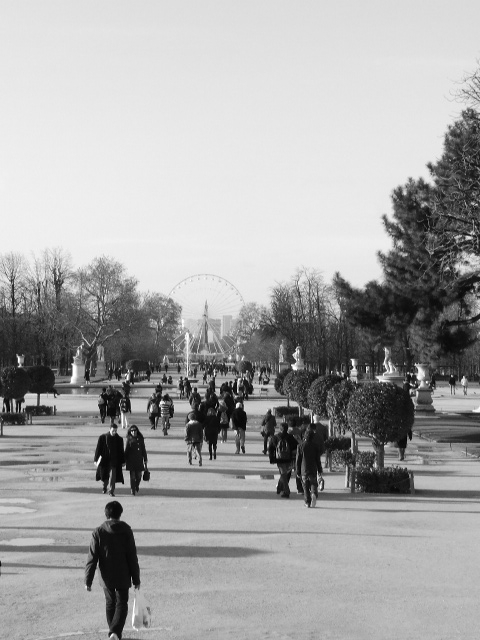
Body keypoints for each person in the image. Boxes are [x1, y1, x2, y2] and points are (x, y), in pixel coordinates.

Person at [85, 501, 140, 640]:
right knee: (122, 603)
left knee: (110, 603)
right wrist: (136, 579)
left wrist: (88, 580)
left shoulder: (98, 532)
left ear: (106, 514)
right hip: (123, 573)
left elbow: (92, 557)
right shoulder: (126, 530)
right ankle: (115, 632)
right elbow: (132, 556)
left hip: (106, 575)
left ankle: (114, 632)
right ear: (120, 514)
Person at [94, 424, 125, 497]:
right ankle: (104, 487)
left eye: (115, 431)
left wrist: (123, 461)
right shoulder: (103, 438)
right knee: (104, 477)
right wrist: (96, 459)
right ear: (109, 429)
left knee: (113, 477)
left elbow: (121, 451)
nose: (114, 432)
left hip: (114, 461)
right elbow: (98, 449)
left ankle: (111, 490)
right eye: (113, 431)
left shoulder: (119, 439)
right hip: (105, 461)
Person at [269, 422, 298, 498]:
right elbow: (296, 446)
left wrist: (272, 459)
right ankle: (280, 487)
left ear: (280, 429)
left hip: (279, 458)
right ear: (287, 428)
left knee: (283, 474)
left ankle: (286, 491)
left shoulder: (275, 437)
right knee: (285, 474)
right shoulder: (290, 437)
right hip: (288, 458)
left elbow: (271, 449)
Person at [296, 428, 323, 508]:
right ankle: (314, 493)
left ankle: (307, 502)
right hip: (313, 469)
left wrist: (298, 471)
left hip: (303, 469)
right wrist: (320, 470)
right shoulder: (315, 446)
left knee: (305, 486)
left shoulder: (300, 446)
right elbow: (318, 459)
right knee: (313, 483)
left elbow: (298, 460)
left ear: (304, 436)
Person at [124, 425, 147, 495]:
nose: (133, 432)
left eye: (135, 431)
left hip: (139, 460)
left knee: (139, 476)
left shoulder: (140, 439)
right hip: (131, 461)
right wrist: (124, 460)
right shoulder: (129, 439)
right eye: (132, 431)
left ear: (137, 431)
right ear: (130, 432)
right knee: (132, 476)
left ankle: (136, 485)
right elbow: (126, 450)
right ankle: (132, 489)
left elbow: (143, 449)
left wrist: (145, 459)